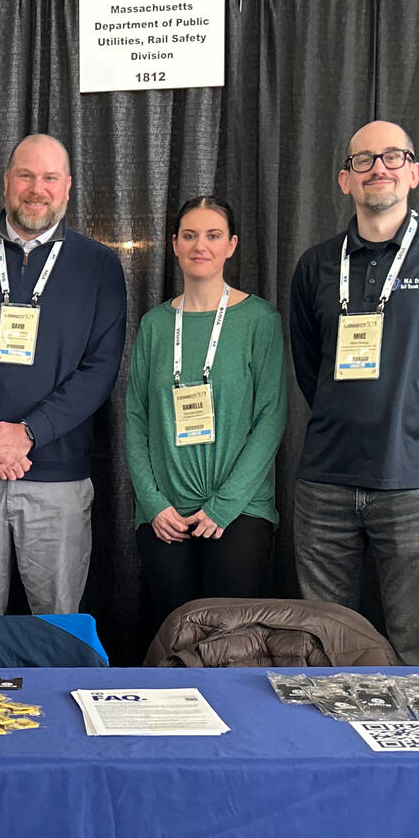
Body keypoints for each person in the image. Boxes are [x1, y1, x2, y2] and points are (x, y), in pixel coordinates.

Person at [290, 120, 419, 665]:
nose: (379, 167)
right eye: (364, 160)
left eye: (393, 157)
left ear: (414, 172)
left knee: (413, 645)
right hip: (325, 481)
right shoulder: (316, 265)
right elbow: (310, 367)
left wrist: (415, 416)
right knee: (323, 648)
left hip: (412, 481)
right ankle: (328, 750)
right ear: (344, 180)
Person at [0, 133, 127, 616]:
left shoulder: (99, 266)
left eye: (50, 177)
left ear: (68, 187)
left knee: (56, 627)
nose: (38, 188)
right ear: (6, 184)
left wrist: (29, 434)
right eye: (26, 175)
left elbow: (100, 371)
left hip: (58, 480)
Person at [124, 196, 285, 634]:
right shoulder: (156, 325)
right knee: (177, 640)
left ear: (231, 245)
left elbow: (271, 418)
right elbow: (135, 419)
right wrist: (154, 504)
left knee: (232, 644)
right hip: (165, 515)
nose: (201, 246)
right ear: (174, 245)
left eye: (213, 236)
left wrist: (225, 505)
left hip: (238, 512)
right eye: (190, 236)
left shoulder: (260, 319)